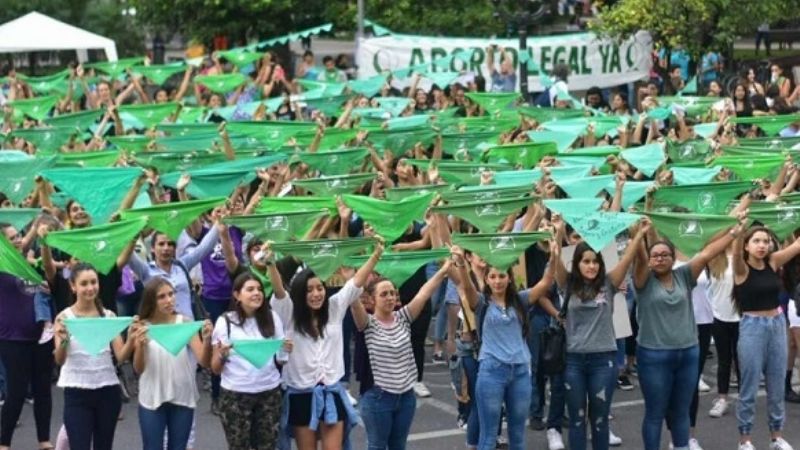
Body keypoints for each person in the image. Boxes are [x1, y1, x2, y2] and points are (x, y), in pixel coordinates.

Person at [632, 214, 745, 450]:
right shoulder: (643, 280)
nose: (660, 258)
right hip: (654, 356)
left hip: (687, 353)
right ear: (650, 261)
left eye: (666, 255)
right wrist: (641, 235)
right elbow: (641, 258)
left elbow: (707, 253)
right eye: (656, 256)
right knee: (655, 412)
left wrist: (733, 232)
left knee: (681, 410)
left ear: (674, 259)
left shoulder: (684, 275)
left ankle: (681, 446)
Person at [269, 240, 383, 450]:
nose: (316, 294)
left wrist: (375, 255)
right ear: (300, 293)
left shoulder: (334, 308)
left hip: (332, 392)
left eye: (320, 288)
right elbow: (278, 291)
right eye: (309, 290)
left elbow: (355, 284)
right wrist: (270, 263)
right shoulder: (289, 314)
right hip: (302, 395)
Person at [454, 240, 560, 450]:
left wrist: (555, 256)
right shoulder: (481, 303)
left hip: (520, 371)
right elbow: (466, 287)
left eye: (502, 276)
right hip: (491, 371)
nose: (497, 281)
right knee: (488, 436)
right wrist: (460, 265)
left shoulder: (520, 299)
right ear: (486, 279)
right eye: (492, 277)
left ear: (510, 278)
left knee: (518, 435)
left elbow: (546, 282)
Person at [553, 223, 648, 450]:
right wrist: (557, 232)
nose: (592, 266)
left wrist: (640, 234)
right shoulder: (567, 283)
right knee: (576, 420)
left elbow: (628, 257)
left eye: (595, 261)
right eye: (586, 261)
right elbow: (555, 260)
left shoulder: (609, 282)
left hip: (603, 361)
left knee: (599, 420)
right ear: (577, 264)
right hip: (574, 360)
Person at [352, 258, 454, 449]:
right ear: (372, 300)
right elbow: (353, 299)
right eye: (384, 294)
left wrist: (444, 270)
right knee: (377, 445)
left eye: (392, 293)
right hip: (378, 399)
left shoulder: (403, 317)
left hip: (406, 397)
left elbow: (424, 293)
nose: (390, 297)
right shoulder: (367, 324)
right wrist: (363, 268)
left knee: (399, 446)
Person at [53, 263, 137, 450]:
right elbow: (59, 360)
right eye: (84, 284)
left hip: (107, 392)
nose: (90, 288)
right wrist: (65, 340)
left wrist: (131, 339)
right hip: (76, 394)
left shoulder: (108, 316)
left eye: (93, 282)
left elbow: (121, 356)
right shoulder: (63, 318)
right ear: (73, 286)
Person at [732, 226, 800, 450]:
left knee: (777, 385)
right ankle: (745, 440)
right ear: (746, 245)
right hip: (753, 327)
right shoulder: (741, 268)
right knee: (749, 387)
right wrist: (738, 233)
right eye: (757, 241)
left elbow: (797, 245)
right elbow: (735, 253)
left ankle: (776, 438)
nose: (762, 245)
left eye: (766, 241)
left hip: (777, 324)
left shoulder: (772, 262)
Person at [211, 272, 291, 450]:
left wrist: (285, 351)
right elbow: (215, 369)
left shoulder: (272, 318)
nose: (257, 293)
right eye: (250, 289)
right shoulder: (225, 322)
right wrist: (222, 355)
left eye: (259, 289)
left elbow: (281, 360)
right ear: (237, 295)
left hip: (269, 393)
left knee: (267, 446)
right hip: (235, 395)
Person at [133, 278, 213, 450]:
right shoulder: (142, 326)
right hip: (152, 395)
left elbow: (204, 361)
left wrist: (207, 340)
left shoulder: (184, 322)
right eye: (161, 296)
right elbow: (138, 368)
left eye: (171, 294)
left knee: (178, 447)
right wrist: (139, 346)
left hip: (182, 393)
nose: (169, 300)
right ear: (151, 301)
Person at [0, 223, 54, 450]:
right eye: (11, 238)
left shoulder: (32, 265)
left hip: (41, 336)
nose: (18, 240)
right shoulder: (3, 267)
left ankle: (44, 439)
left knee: (43, 389)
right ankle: (4, 442)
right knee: (17, 391)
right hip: (13, 338)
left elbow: (51, 277)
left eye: (19, 236)